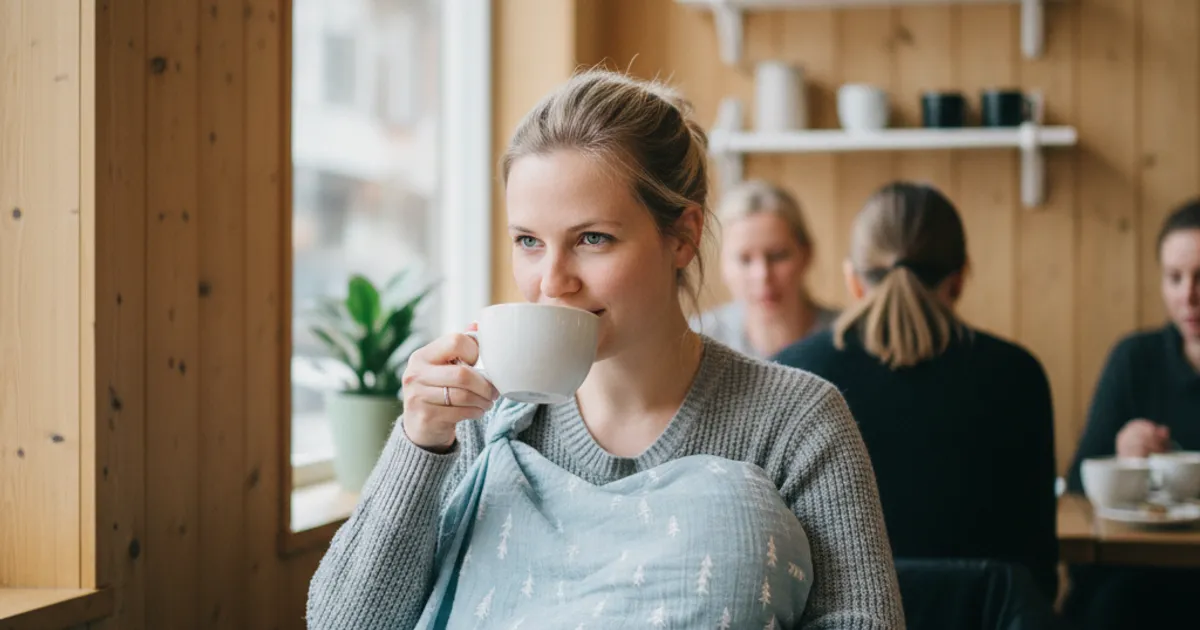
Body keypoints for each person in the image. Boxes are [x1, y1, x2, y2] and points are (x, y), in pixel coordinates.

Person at [305, 69, 905, 629]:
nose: (551, 281)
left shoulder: (797, 421)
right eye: (528, 241)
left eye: (593, 238)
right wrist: (418, 443)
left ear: (683, 237)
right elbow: (341, 622)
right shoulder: (475, 422)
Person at [773, 182, 1060, 602]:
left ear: (853, 280)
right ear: (960, 278)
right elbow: (1038, 569)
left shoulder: (795, 372)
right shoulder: (1019, 374)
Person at [1061, 198, 1200, 629]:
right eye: (1174, 278)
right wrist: (1119, 455)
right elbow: (1078, 482)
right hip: (1138, 573)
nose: (1188, 296)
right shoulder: (1135, 359)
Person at [691, 180, 837, 359]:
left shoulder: (845, 338)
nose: (762, 275)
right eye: (745, 260)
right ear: (723, 265)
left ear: (806, 254)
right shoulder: (698, 340)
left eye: (777, 256)